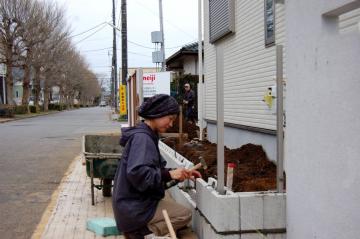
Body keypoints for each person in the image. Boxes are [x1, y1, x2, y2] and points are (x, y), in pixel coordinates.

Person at [112, 94, 202, 239]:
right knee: (184, 214)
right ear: (158, 113)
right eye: (170, 119)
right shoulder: (143, 139)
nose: (171, 124)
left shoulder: (147, 135)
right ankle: (139, 233)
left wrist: (177, 174)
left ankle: (138, 232)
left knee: (180, 213)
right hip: (134, 208)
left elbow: (150, 171)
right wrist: (170, 175)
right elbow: (138, 174)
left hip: (131, 205)